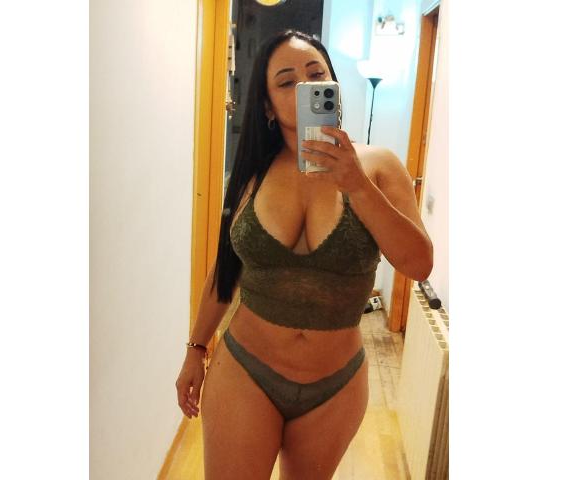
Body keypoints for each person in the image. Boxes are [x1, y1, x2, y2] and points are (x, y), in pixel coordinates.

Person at [175, 29, 433, 479]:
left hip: (335, 385)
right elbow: (225, 269)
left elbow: (418, 263)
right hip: (245, 370)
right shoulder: (252, 172)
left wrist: (357, 185)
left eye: (315, 75)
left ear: (333, 85)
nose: (305, 87)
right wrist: (196, 348)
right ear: (266, 106)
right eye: (286, 81)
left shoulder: (378, 166)